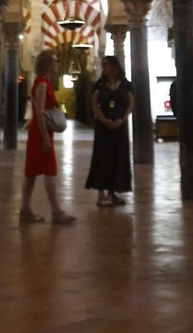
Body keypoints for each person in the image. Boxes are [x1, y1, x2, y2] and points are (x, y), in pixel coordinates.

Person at [20, 49, 75, 225]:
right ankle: (57, 212)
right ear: (48, 65)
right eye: (55, 61)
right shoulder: (43, 83)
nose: (57, 64)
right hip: (41, 133)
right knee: (50, 170)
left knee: (31, 172)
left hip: (38, 130)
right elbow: (40, 111)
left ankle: (25, 210)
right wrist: (45, 137)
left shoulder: (41, 82)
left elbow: (37, 109)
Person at [84, 55, 134, 206]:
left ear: (114, 66)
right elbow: (94, 105)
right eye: (103, 64)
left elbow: (131, 103)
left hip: (120, 127)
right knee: (102, 157)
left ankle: (112, 192)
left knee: (117, 157)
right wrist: (104, 120)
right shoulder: (100, 84)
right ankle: (101, 195)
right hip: (103, 127)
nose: (103, 67)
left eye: (106, 64)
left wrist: (123, 119)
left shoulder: (126, 84)